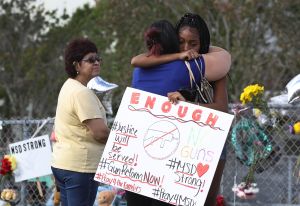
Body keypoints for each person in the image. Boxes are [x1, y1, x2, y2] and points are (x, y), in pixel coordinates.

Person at [130, 13, 230, 206]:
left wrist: (188, 106)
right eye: (181, 42)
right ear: (172, 42)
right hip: (180, 147)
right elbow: (224, 56)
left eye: (193, 43)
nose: (186, 48)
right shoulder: (189, 65)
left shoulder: (141, 67)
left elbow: (136, 59)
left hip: (200, 141)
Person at [51, 38, 110, 206]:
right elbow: (100, 133)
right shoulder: (81, 92)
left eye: (98, 59)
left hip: (63, 164)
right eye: (91, 60)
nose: (97, 62)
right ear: (77, 65)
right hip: (80, 168)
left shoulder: (68, 86)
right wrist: (124, 139)